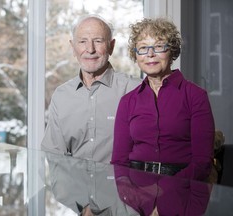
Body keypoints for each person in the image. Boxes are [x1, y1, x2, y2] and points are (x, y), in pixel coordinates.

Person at [111, 17, 215, 181]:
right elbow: (119, 162)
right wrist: (131, 196)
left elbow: (202, 163)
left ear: (171, 51)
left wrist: (165, 191)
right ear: (136, 55)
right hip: (138, 195)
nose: (150, 54)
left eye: (158, 46)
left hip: (182, 191)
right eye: (143, 48)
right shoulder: (127, 102)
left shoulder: (195, 96)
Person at [41, 14, 141, 163]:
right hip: (74, 185)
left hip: (120, 186)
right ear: (73, 48)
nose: (90, 49)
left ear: (111, 46)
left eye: (98, 41)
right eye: (82, 41)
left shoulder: (135, 90)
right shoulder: (61, 96)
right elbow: (54, 158)